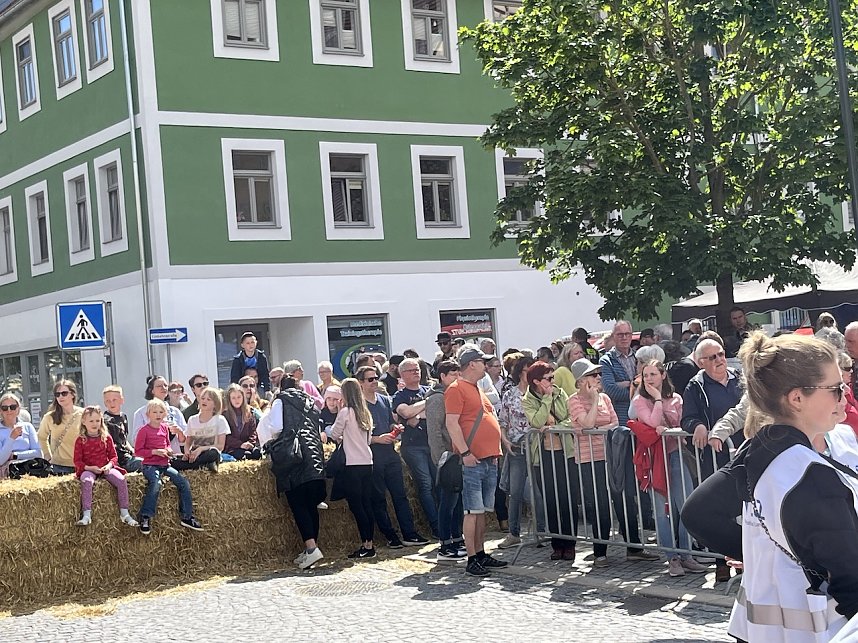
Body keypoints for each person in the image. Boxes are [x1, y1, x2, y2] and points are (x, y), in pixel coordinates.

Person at [717, 332, 858, 641]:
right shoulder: (812, 476)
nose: (845, 395)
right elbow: (851, 582)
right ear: (797, 399)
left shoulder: (761, 452)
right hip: (821, 631)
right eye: (835, 388)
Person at [567, 359, 659, 566]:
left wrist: (593, 427)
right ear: (581, 381)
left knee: (624, 499)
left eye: (599, 374)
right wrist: (592, 403)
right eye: (593, 375)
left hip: (612, 456)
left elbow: (616, 423)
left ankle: (634, 547)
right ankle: (600, 552)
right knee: (599, 503)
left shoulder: (605, 398)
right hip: (590, 458)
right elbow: (588, 423)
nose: (598, 378)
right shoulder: (574, 400)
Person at [630, 360, 707, 577]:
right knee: (663, 510)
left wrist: (672, 427)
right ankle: (672, 557)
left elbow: (682, 423)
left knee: (686, 505)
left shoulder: (676, 398)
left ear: (663, 375)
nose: (649, 379)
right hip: (654, 457)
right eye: (646, 375)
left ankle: (686, 554)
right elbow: (654, 423)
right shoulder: (640, 400)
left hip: (675, 453)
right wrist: (656, 400)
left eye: (653, 374)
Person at [444, 347, 509, 576]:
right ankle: (472, 557)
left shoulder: (476, 389)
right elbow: (452, 423)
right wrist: (464, 453)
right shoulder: (456, 389)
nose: (487, 365)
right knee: (472, 511)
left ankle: (480, 553)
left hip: (488, 458)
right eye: (483, 361)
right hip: (472, 459)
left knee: (481, 511)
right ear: (472, 363)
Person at [355, 365, 428, 549]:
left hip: (390, 453)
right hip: (372, 455)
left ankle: (409, 533)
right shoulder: (358, 405)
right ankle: (390, 536)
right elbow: (355, 436)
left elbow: (389, 422)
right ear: (361, 383)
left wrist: (395, 430)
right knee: (379, 497)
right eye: (370, 379)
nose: (374, 382)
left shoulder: (384, 400)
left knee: (400, 495)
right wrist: (378, 439)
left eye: (376, 378)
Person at [257, 379, 327, 570]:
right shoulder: (311, 403)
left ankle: (311, 548)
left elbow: (277, 427)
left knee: (298, 504)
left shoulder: (281, 400)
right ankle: (312, 548)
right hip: (314, 456)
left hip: (294, 457)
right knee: (311, 504)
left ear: (280, 388)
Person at [523, 361, 579, 562]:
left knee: (568, 499)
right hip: (543, 457)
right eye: (548, 378)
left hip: (565, 453)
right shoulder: (528, 399)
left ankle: (570, 543)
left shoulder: (561, 393)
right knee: (551, 500)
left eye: (553, 377)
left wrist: (556, 427)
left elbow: (571, 419)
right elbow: (536, 422)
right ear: (537, 381)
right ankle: (557, 544)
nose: (552, 382)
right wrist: (546, 400)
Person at [134, 399, 203, 535]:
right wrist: (155, 452)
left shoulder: (165, 428)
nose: (158, 415)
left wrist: (168, 450)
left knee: (183, 483)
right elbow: (138, 451)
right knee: (156, 483)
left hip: (164, 464)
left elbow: (167, 444)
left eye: (161, 412)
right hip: (150, 465)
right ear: (148, 414)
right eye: (154, 412)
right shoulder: (144, 431)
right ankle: (145, 516)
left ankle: (187, 516)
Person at [497, 355, 545, 549]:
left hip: (538, 447)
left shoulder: (540, 393)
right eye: (526, 371)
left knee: (539, 492)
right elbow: (502, 420)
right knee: (515, 493)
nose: (528, 374)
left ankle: (542, 531)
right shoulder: (510, 394)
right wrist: (505, 440)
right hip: (517, 447)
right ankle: (514, 532)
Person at [330, 378, 376, 560]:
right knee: (366, 504)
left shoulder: (346, 413)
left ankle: (365, 544)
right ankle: (370, 543)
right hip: (367, 461)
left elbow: (334, 434)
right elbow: (369, 439)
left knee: (357, 506)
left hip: (352, 463)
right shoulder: (365, 413)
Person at [393, 357, 439, 538]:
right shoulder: (400, 396)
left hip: (433, 443)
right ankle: (436, 527)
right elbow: (405, 413)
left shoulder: (429, 390)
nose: (416, 372)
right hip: (414, 446)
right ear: (402, 375)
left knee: (439, 483)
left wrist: (417, 414)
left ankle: (446, 523)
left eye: (417, 369)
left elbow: (436, 414)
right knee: (425, 485)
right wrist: (426, 406)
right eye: (411, 370)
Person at [426, 360, 466, 561]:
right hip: (446, 457)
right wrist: (441, 457)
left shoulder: (455, 394)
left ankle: (458, 538)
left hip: (458, 454)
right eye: (453, 374)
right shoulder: (436, 399)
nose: (457, 378)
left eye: (459, 374)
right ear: (442, 376)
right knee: (447, 502)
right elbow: (434, 432)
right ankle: (445, 543)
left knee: (457, 501)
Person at [73, 405, 138, 527]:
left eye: (98, 420)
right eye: (91, 421)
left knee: (121, 480)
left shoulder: (106, 437)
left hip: (105, 468)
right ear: (83, 422)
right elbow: (77, 461)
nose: (95, 424)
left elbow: (114, 457)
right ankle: (87, 514)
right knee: (87, 481)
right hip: (89, 469)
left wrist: (109, 466)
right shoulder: (80, 440)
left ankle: (124, 512)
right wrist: (89, 468)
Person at [172, 386, 228, 472]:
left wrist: (201, 449)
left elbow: (220, 446)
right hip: (194, 456)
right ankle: (197, 466)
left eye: (209, 399)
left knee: (213, 453)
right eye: (203, 398)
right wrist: (187, 452)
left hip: (208, 454)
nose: (204, 401)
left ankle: (190, 466)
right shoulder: (192, 419)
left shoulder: (220, 420)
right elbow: (188, 442)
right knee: (171, 459)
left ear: (215, 404)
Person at [37, 380, 84, 475]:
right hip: (58, 466)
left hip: (82, 464)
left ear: (73, 394)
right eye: (57, 394)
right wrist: (47, 455)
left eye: (64, 393)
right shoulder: (49, 417)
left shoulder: (83, 414)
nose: (60, 397)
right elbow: (41, 437)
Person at [131, 376, 187, 454]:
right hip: (151, 457)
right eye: (159, 386)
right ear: (151, 390)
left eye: (165, 385)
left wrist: (179, 432)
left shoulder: (176, 412)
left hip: (174, 455)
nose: (163, 388)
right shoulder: (141, 413)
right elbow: (136, 441)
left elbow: (185, 441)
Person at [0, 393, 41, 479]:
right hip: (7, 477)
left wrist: (15, 455)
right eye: (4, 408)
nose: (9, 410)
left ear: (18, 409)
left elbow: (39, 453)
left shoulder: (28, 427)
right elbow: (1, 460)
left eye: (13, 407)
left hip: (30, 474)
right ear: (1, 411)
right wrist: (11, 438)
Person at [102, 385, 141, 473]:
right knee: (145, 463)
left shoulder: (123, 416)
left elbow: (123, 439)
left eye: (114, 400)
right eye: (108, 401)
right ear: (104, 403)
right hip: (120, 460)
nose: (112, 403)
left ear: (122, 400)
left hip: (128, 455)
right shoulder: (106, 421)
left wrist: (133, 450)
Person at [222, 383, 261, 460]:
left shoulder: (249, 413)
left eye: (239, 397)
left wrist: (250, 443)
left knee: (257, 454)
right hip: (233, 447)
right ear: (229, 399)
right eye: (233, 398)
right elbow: (226, 436)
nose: (237, 400)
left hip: (247, 444)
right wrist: (240, 444)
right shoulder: (225, 415)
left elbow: (253, 431)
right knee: (245, 455)